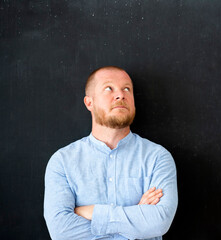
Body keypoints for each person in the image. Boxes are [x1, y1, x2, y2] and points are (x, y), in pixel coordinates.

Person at [44, 66, 178, 240]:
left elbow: (159, 223)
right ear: (89, 103)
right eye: (109, 88)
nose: (121, 95)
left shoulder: (158, 157)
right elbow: (61, 232)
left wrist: (92, 212)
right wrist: (137, 216)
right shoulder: (62, 161)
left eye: (127, 89)